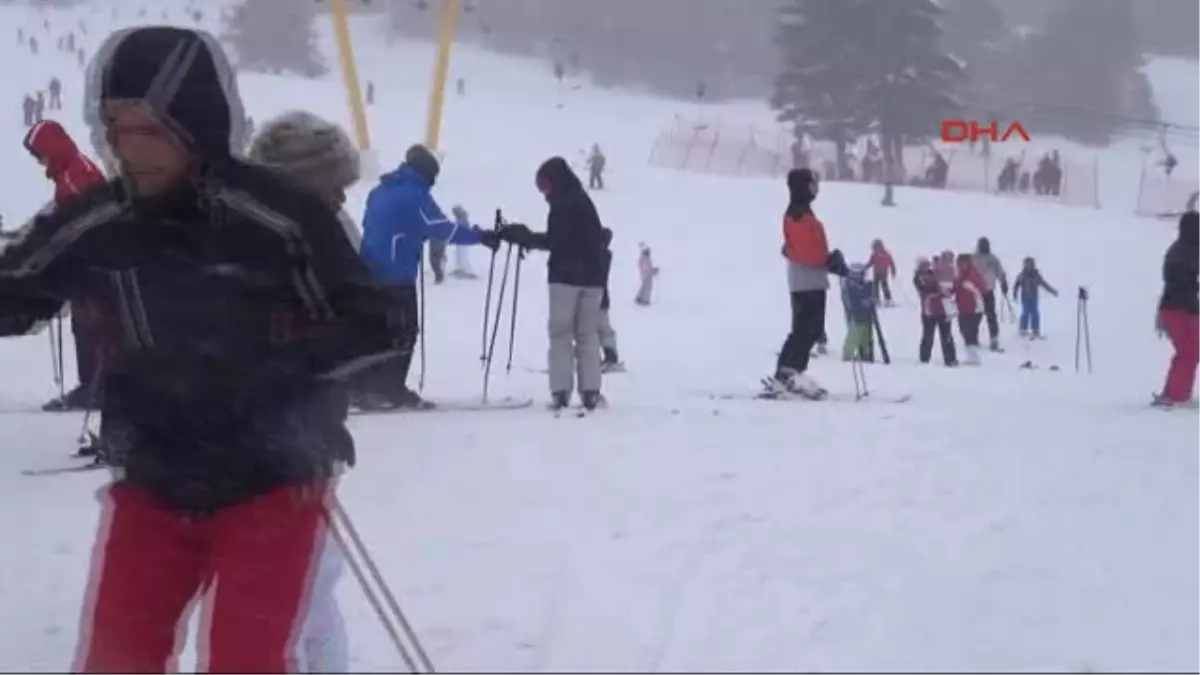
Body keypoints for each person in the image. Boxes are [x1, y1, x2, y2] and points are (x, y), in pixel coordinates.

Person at [0, 26, 405, 671]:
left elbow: (379, 321)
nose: (130, 150)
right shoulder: (105, 222)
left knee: (248, 660)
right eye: (116, 128)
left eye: (151, 131)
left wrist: (284, 375)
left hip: (272, 483)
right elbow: (15, 289)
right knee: (116, 660)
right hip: (156, 482)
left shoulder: (278, 216)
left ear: (195, 126)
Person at [247, 109, 364, 672]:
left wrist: (316, 428)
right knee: (285, 599)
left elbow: (338, 343)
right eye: (334, 187)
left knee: (308, 591)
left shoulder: (331, 237)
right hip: (250, 447)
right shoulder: (245, 241)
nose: (343, 199)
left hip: (303, 440)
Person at [358, 144, 499, 410]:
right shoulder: (415, 194)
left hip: (368, 270)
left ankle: (364, 388)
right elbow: (440, 227)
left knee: (376, 333)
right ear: (427, 173)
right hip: (395, 274)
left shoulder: (379, 191)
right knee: (403, 332)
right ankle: (390, 390)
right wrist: (481, 236)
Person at [497, 157, 609, 411]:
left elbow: (557, 241)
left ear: (555, 181)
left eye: (545, 186)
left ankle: (561, 391)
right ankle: (590, 391)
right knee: (587, 334)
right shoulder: (584, 201)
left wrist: (525, 237)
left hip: (565, 278)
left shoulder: (562, 204)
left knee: (561, 333)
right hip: (594, 278)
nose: (544, 192)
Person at [22, 118, 108, 411]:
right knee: (84, 325)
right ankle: (92, 385)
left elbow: (82, 222)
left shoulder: (75, 175)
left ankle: (96, 388)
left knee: (92, 326)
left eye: (41, 154)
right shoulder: (69, 171)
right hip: (89, 262)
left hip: (94, 263)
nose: (40, 162)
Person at [769, 168, 846, 398]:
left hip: (808, 276)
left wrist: (828, 259)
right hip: (807, 278)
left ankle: (788, 373)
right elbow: (805, 252)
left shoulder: (801, 213)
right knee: (807, 329)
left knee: (806, 330)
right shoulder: (799, 216)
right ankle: (789, 374)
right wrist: (829, 260)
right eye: (813, 184)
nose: (817, 188)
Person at [1154, 212, 1200, 407]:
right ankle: (1175, 396)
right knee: (1189, 351)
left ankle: (1175, 392)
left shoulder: (1189, 249)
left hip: (1187, 307)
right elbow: (1176, 281)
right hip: (1176, 308)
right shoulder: (1180, 252)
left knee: (1191, 351)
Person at [914, 258, 958, 366]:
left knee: (946, 335)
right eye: (924, 265)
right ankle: (924, 358)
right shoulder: (919, 277)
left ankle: (950, 359)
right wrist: (941, 289)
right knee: (928, 335)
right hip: (929, 310)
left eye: (927, 265)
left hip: (942, 309)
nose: (927, 267)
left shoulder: (935, 274)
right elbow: (927, 288)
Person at [973, 236, 1008, 352]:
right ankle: (972, 338)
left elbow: (1000, 271)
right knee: (975, 316)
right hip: (975, 292)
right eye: (982, 245)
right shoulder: (973, 258)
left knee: (991, 316)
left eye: (986, 245)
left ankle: (994, 339)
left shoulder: (992, 259)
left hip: (988, 290)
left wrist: (1003, 282)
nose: (984, 247)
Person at [953, 252, 987, 365]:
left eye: (962, 263)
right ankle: (972, 355)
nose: (960, 265)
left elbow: (982, 288)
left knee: (969, 332)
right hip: (962, 308)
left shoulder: (972, 274)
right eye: (959, 263)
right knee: (964, 330)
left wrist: (969, 286)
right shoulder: (958, 275)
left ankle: (973, 357)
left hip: (974, 308)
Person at [1012, 256, 1058, 339]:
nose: (1028, 266)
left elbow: (1044, 284)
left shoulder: (1036, 276)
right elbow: (1016, 285)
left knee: (1035, 313)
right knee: (1025, 313)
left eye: (1030, 264)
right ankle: (1023, 329)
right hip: (1025, 298)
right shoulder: (1022, 275)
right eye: (1026, 264)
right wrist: (1014, 294)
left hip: (1033, 298)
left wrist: (1052, 291)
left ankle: (1035, 329)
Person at [597, 227, 623, 373]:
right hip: (603, 298)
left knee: (597, 329)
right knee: (604, 328)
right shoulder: (606, 255)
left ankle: (609, 357)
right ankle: (609, 356)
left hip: (595, 297)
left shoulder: (599, 255)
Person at [839, 262, 874, 362]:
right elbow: (849, 302)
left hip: (866, 316)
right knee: (854, 335)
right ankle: (848, 356)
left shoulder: (863, 284)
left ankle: (865, 354)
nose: (863, 276)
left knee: (866, 336)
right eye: (862, 274)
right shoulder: (849, 284)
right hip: (855, 315)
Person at [449, 205, 478, 280]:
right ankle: (460, 269)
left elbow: (461, 229)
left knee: (463, 256)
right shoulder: (460, 219)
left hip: (463, 242)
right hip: (459, 241)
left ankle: (468, 272)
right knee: (458, 255)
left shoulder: (462, 220)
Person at [868, 238, 896, 306]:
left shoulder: (886, 253)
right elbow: (871, 262)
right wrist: (866, 267)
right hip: (876, 272)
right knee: (875, 285)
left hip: (883, 272)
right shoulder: (874, 254)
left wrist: (893, 271)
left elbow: (891, 262)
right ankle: (876, 298)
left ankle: (888, 299)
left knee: (884, 285)